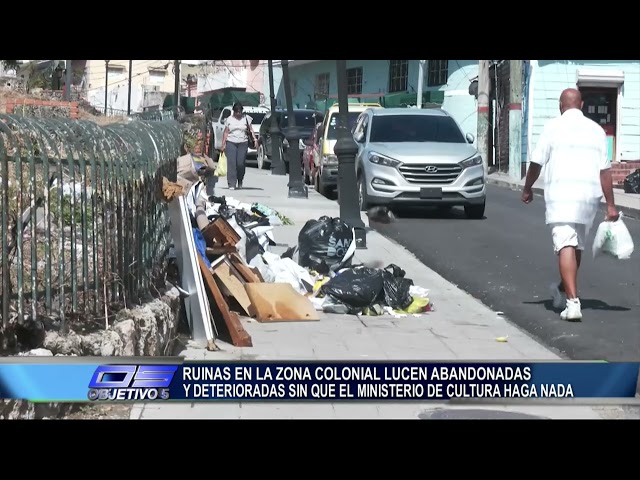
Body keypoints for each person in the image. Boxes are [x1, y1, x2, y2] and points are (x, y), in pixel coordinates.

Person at [521, 88, 619, 322]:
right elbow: (605, 171)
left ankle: (573, 303)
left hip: (561, 195)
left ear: (560, 106)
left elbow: (536, 163)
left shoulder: (552, 127)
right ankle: (567, 287)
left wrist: (527, 188)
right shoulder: (597, 130)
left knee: (565, 244)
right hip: (588, 197)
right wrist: (611, 205)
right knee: (576, 246)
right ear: (582, 105)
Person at [221, 102, 258, 190]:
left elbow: (251, 129)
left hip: (243, 142)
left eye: (240, 111)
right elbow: (226, 132)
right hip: (231, 142)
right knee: (232, 163)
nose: (238, 113)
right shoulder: (229, 119)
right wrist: (223, 144)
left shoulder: (246, 118)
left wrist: (255, 139)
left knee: (240, 163)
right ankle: (231, 183)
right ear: (233, 111)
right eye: (237, 112)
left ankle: (240, 179)